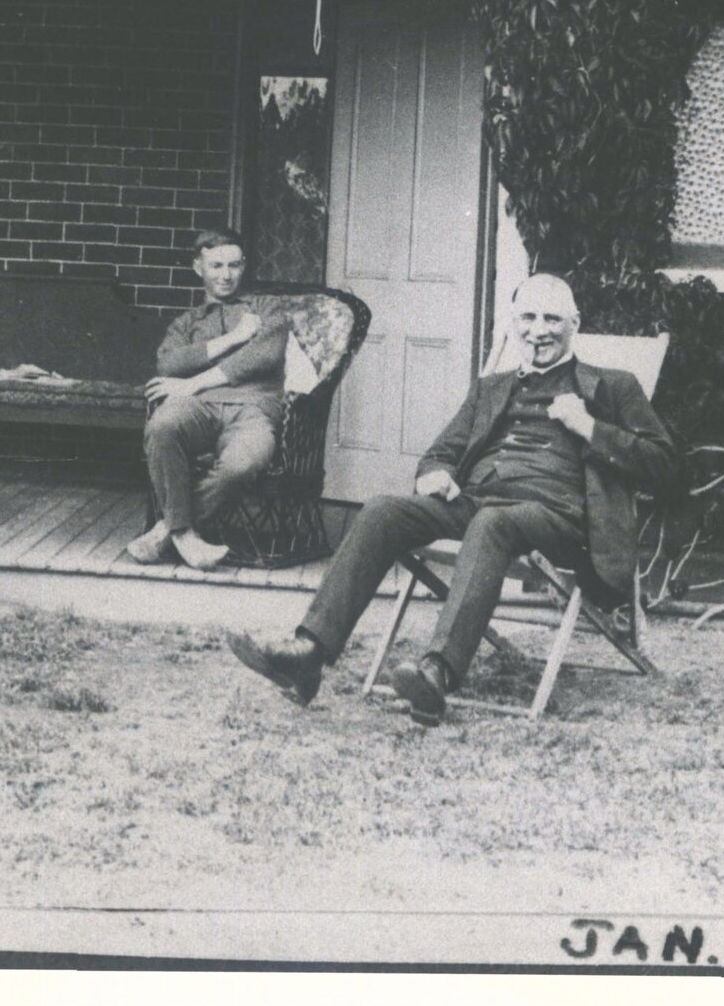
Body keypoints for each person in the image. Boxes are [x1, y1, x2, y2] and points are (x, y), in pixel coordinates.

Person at [228, 272, 676, 724]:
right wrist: (435, 474)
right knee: (384, 510)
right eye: (527, 317)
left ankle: (436, 673)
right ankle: (309, 651)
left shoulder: (613, 386)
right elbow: (441, 451)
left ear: (575, 323)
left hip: (559, 515)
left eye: (551, 319)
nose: (538, 330)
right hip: (478, 502)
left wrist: (590, 427)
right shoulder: (491, 388)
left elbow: (666, 467)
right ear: (511, 322)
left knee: (492, 523)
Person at [129, 227, 289, 571]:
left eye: (233, 265)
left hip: (253, 408)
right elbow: (169, 362)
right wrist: (235, 337)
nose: (226, 275)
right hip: (198, 408)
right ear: (198, 268)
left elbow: (264, 357)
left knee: (242, 464)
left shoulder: (267, 308)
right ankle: (185, 536)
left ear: (244, 265)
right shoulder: (187, 322)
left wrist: (194, 382)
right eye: (216, 266)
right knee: (163, 425)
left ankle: (167, 531)